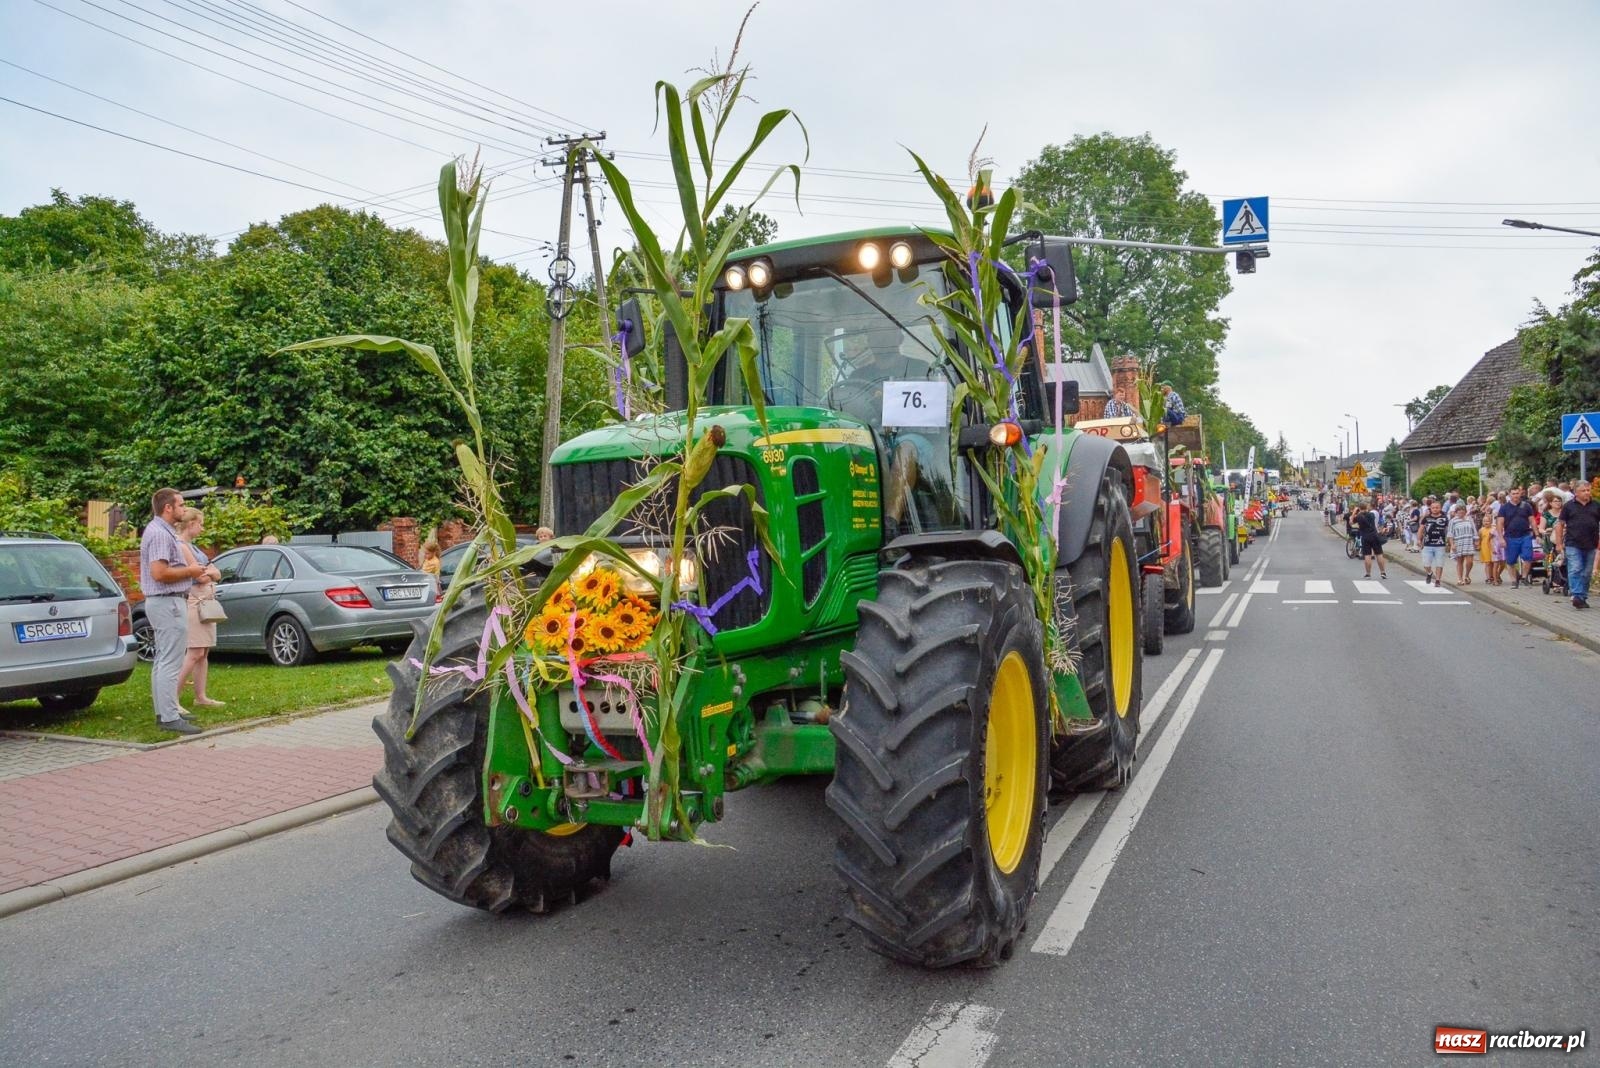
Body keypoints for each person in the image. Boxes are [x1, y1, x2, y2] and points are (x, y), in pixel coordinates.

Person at [138, 488, 211, 734]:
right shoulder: (160, 533)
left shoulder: (159, 531)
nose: (183, 509)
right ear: (168, 508)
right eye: (180, 505)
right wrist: (190, 572)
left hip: (164, 601)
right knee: (171, 660)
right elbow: (159, 573)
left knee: (163, 659)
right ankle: (169, 717)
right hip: (167, 601)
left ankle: (164, 713)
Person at [174, 507, 225, 710]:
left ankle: (200, 695)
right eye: (201, 524)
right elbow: (200, 575)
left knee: (203, 652)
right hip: (194, 602)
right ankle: (172, 698)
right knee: (194, 652)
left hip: (206, 602)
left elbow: (216, 572)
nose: (202, 529)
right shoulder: (181, 546)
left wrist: (210, 573)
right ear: (192, 524)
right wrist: (210, 573)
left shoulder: (193, 547)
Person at [1553, 479, 1600, 609]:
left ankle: (1582, 597)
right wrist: (1558, 543)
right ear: (1576, 492)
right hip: (1573, 543)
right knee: (1576, 568)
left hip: (1591, 543)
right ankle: (1577, 595)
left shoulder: (1596, 505)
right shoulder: (1569, 506)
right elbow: (1560, 525)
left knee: (1587, 572)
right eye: (1583, 490)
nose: (1586, 493)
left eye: (1588, 490)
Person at [1497, 485, 1538, 589]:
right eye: (1513, 493)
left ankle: (1524, 577)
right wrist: (1501, 538)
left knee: (1528, 557)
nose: (1515, 495)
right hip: (1510, 537)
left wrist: (1537, 534)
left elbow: (1532, 520)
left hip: (1525, 535)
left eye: (1517, 493)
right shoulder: (1504, 508)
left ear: (1520, 493)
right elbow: (1500, 523)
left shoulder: (1526, 506)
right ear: (1509, 495)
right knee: (1510, 561)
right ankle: (1514, 581)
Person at [1417, 498, 1450, 586]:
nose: (1435, 509)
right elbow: (1421, 529)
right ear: (1430, 509)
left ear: (1440, 508)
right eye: (1433, 508)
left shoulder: (1444, 518)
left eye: (1437, 507)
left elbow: (1447, 530)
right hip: (1427, 544)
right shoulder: (1426, 518)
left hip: (1440, 544)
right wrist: (1419, 540)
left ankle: (1438, 580)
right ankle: (1429, 573)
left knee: (1439, 563)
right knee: (1426, 564)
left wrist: (1448, 541)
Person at [1350, 503, 1388, 579]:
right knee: (1379, 554)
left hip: (1365, 536)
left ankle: (1368, 574)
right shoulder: (1371, 514)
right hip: (1374, 535)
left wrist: (1354, 512)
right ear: (1366, 507)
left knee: (1367, 555)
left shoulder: (1359, 517)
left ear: (1359, 508)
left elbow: (1351, 522)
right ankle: (1383, 572)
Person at [1449, 504, 1476, 585]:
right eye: (1459, 512)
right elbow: (1450, 533)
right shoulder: (1453, 521)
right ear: (1456, 512)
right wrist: (1452, 544)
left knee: (1470, 561)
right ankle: (1460, 579)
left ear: (1465, 512)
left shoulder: (1469, 519)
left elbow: (1474, 529)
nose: (1461, 514)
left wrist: (1476, 540)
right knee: (1460, 561)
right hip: (1458, 542)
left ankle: (1467, 575)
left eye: (1462, 512)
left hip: (1468, 541)